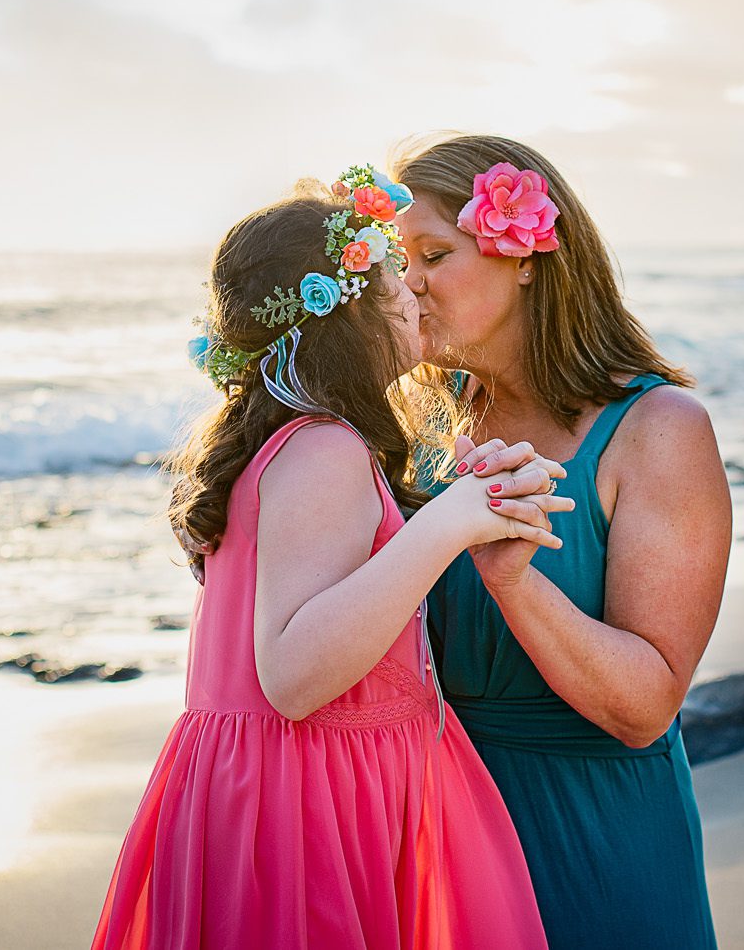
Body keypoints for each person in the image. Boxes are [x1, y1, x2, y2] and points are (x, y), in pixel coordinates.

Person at [90, 166, 562, 949]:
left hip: (278, 786)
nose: (412, 289)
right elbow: (295, 674)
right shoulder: (322, 448)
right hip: (312, 801)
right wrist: (446, 526)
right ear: (342, 315)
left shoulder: (291, 442)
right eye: (390, 279)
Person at [390, 135, 732, 950]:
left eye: (434, 253)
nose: (407, 283)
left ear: (528, 257)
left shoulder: (656, 431)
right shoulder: (416, 431)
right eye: (397, 261)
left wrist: (515, 580)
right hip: (437, 839)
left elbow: (645, 707)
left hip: (595, 841)